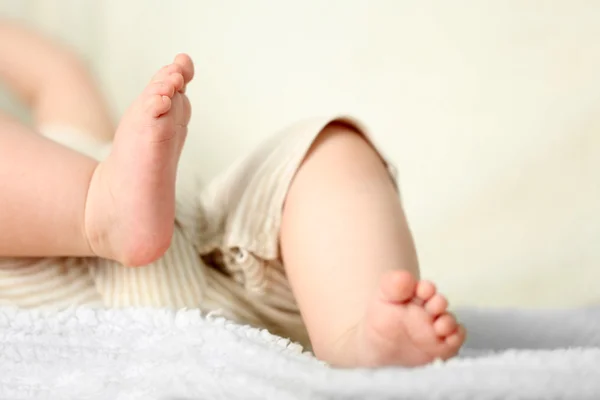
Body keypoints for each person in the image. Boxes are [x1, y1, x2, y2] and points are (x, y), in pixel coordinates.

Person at [0, 21, 465, 368]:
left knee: (328, 152)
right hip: (59, 287)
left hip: (228, 262)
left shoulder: (68, 137)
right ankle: (99, 210)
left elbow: (57, 72)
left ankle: (361, 333)